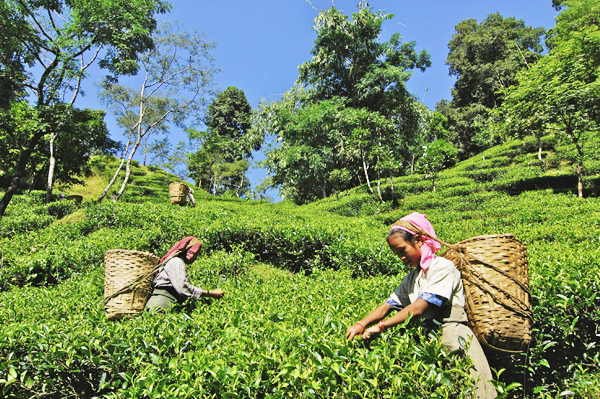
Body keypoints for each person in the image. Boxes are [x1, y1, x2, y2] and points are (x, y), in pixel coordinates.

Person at [346, 212, 496, 399]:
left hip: (453, 338)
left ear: (417, 240)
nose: (401, 257)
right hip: (429, 342)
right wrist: (361, 324)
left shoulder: (442, 267)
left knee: (476, 392)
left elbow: (418, 308)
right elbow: (389, 305)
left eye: (402, 250)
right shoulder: (413, 277)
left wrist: (381, 326)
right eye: (396, 254)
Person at [145, 236, 224, 312]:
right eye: (191, 252)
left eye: (196, 254)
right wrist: (210, 293)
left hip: (161, 303)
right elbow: (183, 287)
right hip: (162, 304)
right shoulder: (176, 261)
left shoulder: (175, 262)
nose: (193, 257)